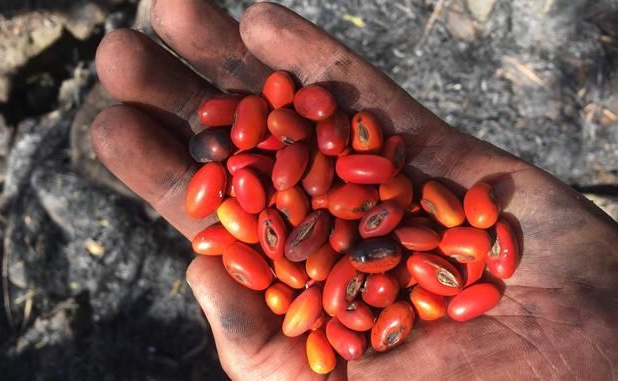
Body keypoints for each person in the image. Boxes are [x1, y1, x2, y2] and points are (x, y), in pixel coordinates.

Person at [90, 1, 618, 380]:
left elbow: (369, 241)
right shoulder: (307, 218)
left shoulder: (350, 239)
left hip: (351, 236)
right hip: (341, 235)